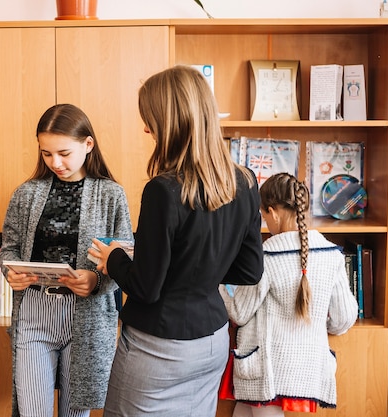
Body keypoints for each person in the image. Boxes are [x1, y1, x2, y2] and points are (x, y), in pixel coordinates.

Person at [89, 65, 265, 417]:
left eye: (150, 118)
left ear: (172, 121)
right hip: (212, 343)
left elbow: (146, 287)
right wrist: (197, 269)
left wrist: (114, 259)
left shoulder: (163, 190)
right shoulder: (244, 182)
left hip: (158, 349)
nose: (145, 127)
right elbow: (249, 270)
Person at [0, 103, 133, 417]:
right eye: (46, 154)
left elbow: (125, 257)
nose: (55, 162)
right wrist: (11, 271)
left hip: (86, 318)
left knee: (76, 413)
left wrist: (97, 281)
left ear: (88, 145)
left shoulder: (111, 194)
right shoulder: (26, 193)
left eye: (64, 153)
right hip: (34, 312)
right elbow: (9, 249)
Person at [219, 172, 358, 417]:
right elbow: (344, 318)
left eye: (264, 217)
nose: (265, 223)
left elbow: (240, 312)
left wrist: (217, 285)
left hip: (267, 371)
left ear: (272, 212)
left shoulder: (268, 256)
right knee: (241, 411)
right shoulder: (332, 254)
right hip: (308, 368)